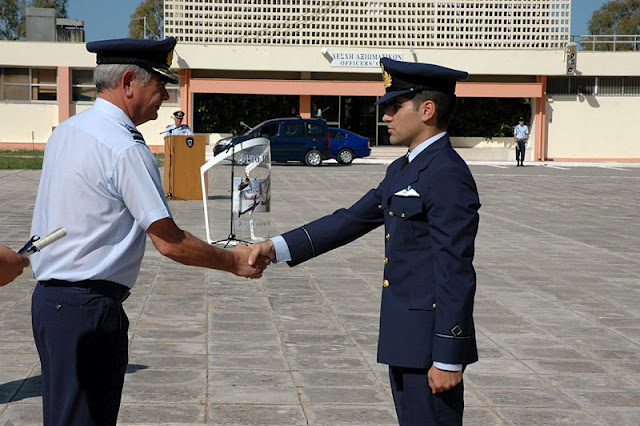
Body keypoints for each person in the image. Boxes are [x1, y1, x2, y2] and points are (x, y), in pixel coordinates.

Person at [29, 37, 268, 426]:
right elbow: (169, 242)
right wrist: (233, 261)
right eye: (161, 87)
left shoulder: (67, 132)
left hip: (52, 303)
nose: (165, 99)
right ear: (128, 83)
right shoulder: (124, 148)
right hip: (88, 310)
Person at [249, 57, 480, 425]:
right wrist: (276, 247)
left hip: (430, 351)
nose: (385, 116)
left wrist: (449, 355)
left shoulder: (447, 174)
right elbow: (351, 220)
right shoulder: (402, 168)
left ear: (428, 110)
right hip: (404, 341)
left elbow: (455, 270)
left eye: (394, 106)